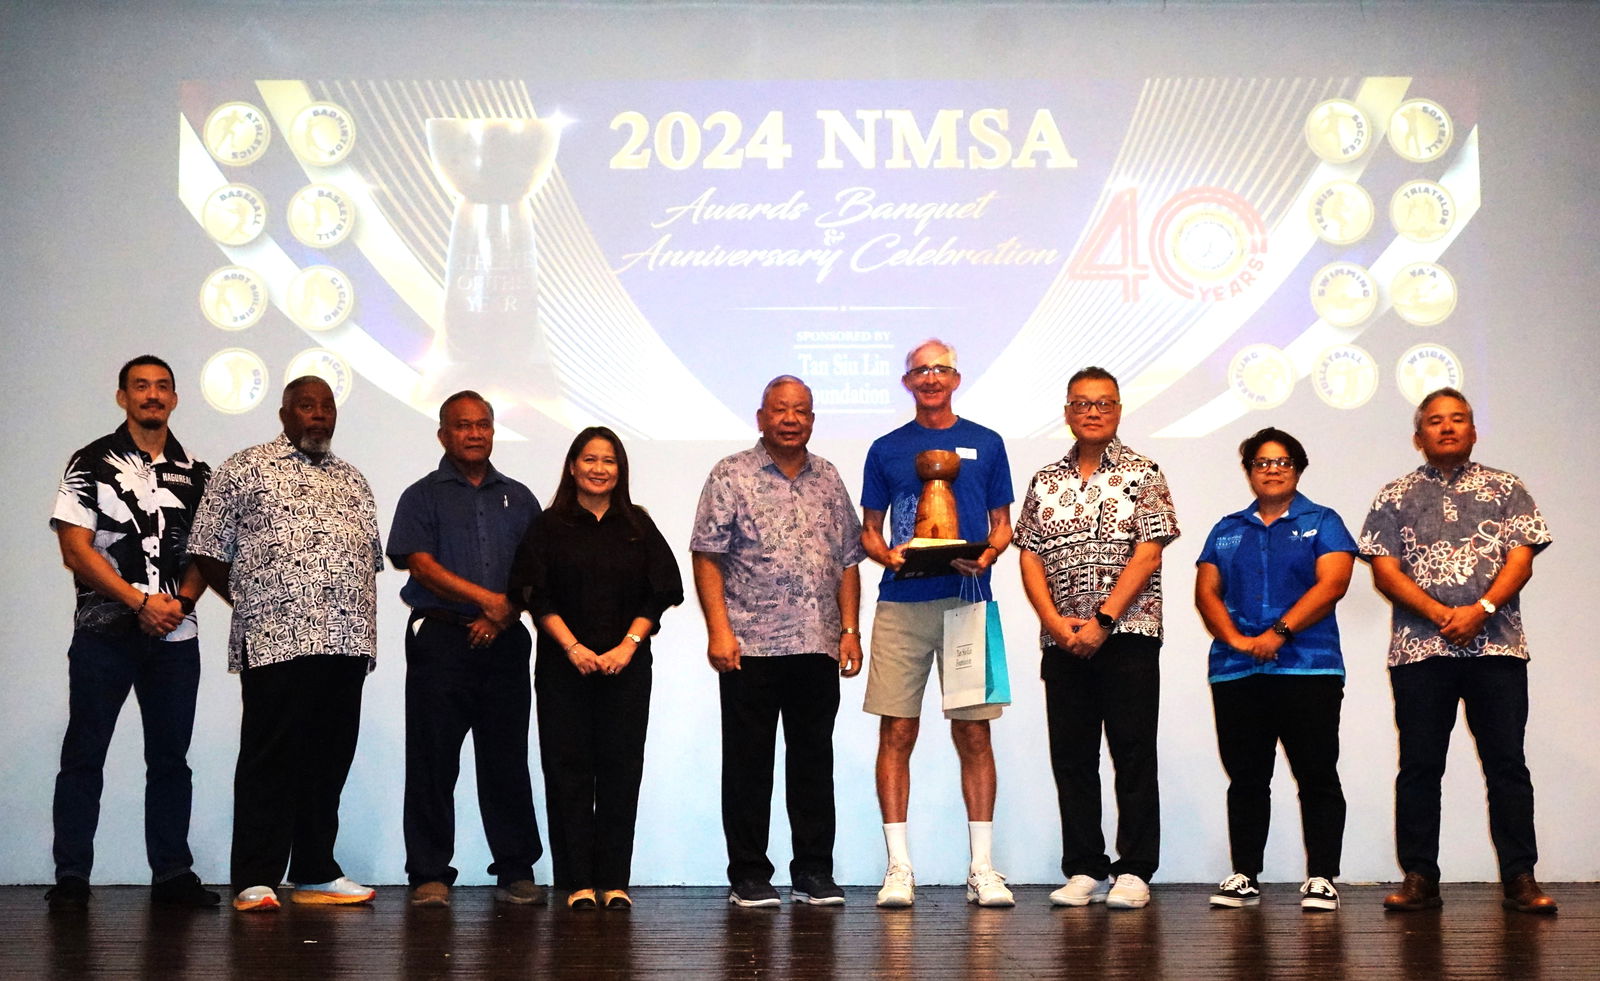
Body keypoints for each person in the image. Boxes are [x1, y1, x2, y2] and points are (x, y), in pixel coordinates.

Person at [188, 376, 383, 912]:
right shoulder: (246, 467)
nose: (318, 414)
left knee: (329, 758)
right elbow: (206, 547)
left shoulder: (354, 480)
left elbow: (367, 562)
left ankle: (316, 869)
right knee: (270, 757)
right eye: (306, 405)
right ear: (284, 412)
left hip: (345, 641)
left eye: (326, 406)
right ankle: (256, 875)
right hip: (275, 639)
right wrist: (256, 598)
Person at [1359, 388, 1557, 914]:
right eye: (1435, 421)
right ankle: (1420, 876)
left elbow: (1522, 558)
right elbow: (1383, 569)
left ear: (1473, 430)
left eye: (1458, 420)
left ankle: (1521, 878)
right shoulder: (1394, 494)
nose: (1447, 428)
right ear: (1418, 435)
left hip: (1498, 647)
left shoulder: (1506, 487)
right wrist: (1439, 614)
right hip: (1420, 651)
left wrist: (1482, 609)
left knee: (1507, 766)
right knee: (1420, 766)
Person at [46, 355, 218, 911]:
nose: (152, 395)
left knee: (171, 760)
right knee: (84, 754)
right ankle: (72, 876)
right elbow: (75, 549)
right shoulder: (90, 461)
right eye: (140, 386)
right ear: (122, 396)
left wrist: (180, 603)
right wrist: (139, 601)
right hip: (103, 635)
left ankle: (172, 875)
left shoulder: (198, 474)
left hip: (176, 637)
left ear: (175, 397)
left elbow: (207, 554)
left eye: (162, 387)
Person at [691, 376, 867, 908]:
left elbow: (848, 562)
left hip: (817, 645)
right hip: (750, 647)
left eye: (802, 411)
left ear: (812, 419)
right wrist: (719, 631)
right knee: (748, 765)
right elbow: (707, 555)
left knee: (813, 764)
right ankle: (748, 873)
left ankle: (813, 871)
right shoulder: (731, 474)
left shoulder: (829, 477)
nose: (792, 419)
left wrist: (850, 630)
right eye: (781, 410)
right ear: (761, 416)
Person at [1014, 366, 1178, 910]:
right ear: (1066, 411)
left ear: (1118, 410)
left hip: (1127, 634)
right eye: (1082, 403)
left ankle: (1134, 870)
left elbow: (1149, 552)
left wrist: (1104, 620)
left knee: (1132, 751)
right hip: (1061, 641)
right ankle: (1084, 866)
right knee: (1073, 756)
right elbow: (1030, 556)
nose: (1092, 411)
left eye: (1103, 403)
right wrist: (1057, 625)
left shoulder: (1144, 472)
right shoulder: (1045, 480)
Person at [860, 339, 1015, 909]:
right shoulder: (886, 449)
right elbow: (868, 530)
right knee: (897, 731)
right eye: (920, 370)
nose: (930, 378)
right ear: (908, 382)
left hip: (968, 598)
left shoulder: (987, 443)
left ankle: (982, 868)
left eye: (940, 369)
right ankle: (899, 868)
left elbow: (1003, 523)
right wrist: (888, 556)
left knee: (974, 731)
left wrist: (989, 554)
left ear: (956, 377)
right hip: (901, 603)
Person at [510, 426, 682, 911]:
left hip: (627, 668)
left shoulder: (637, 526)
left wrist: (628, 645)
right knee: (567, 771)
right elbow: (533, 594)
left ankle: (614, 881)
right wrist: (573, 648)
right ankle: (576, 882)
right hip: (565, 668)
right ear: (572, 466)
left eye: (609, 460)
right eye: (589, 459)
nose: (599, 468)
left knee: (621, 771)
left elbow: (662, 591)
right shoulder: (548, 526)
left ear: (620, 470)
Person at [388, 391, 545, 908]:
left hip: (505, 643)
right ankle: (429, 872)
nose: (475, 434)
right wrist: (487, 603)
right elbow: (420, 564)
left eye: (483, 425)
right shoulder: (421, 495)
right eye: (463, 426)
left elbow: (535, 573)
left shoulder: (520, 497)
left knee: (505, 758)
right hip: (440, 639)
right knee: (433, 758)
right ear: (443, 434)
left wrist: (502, 616)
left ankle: (516, 869)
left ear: (493, 431)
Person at [1194, 428, 1354, 912]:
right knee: (1246, 778)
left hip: (1310, 669)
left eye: (1282, 461)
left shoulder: (1323, 521)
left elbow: (1333, 583)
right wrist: (1240, 641)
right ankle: (1244, 874)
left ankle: (1322, 876)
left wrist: (1277, 634)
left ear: (1299, 468)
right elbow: (1206, 593)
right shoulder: (1226, 528)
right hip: (1237, 672)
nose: (1272, 469)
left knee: (1317, 775)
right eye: (1261, 462)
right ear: (1248, 472)